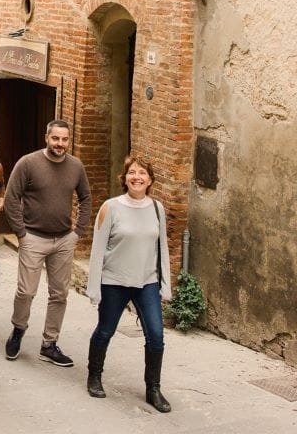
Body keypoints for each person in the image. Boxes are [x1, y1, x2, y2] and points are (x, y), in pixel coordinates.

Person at [85, 155, 173, 412]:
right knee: (105, 330)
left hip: (147, 282)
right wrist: (94, 287)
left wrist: (165, 284)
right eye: (132, 172)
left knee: (156, 336)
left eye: (143, 173)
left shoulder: (157, 209)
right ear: (125, 179)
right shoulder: (110, 207)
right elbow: (97, 249)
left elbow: (162, 249)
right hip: (114, 280)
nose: (137, 177)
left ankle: (153, 388)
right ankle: (94, 375)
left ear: (150, 180)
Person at [3, 119, 91, 367]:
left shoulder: (75, 166)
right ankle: (18, 329)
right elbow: (11, 198)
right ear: (46, 138)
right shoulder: (28, 163)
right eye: (56, 138)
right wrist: (21, 233)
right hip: (33, 237)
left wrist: (77, 232)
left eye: (64, 139)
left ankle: (49, 344)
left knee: (59, 294)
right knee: (26, 291)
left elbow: (86, 198)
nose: (60, 144)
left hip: (63, 239)